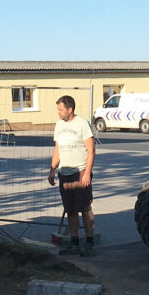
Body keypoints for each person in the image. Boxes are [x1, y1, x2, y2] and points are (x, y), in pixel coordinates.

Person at [47, 95, 96, 256]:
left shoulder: (82, 124)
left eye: (60, 110)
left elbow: (91, 150)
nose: (58, 113)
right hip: (65, 174)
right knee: (71, 210)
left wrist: (87, 173)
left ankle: (90, 243)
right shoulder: (59, 125)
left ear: (70, 109)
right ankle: (74, 242)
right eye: (58, 110)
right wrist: (53, 169)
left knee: (85, 208)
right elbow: (57, 149)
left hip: (80, 173)